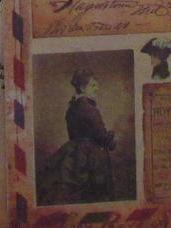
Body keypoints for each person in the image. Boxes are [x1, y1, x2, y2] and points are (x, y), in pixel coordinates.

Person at [39, 69, 117, 204]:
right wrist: (111, 139)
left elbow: (73, 134)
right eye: (93, 85)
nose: (97, 88)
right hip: (91, 157)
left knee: (77, 195)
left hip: (74, 154)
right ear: (82, 88)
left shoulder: (71, 108)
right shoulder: (88, 108)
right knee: (96, 194)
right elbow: (101, 136)